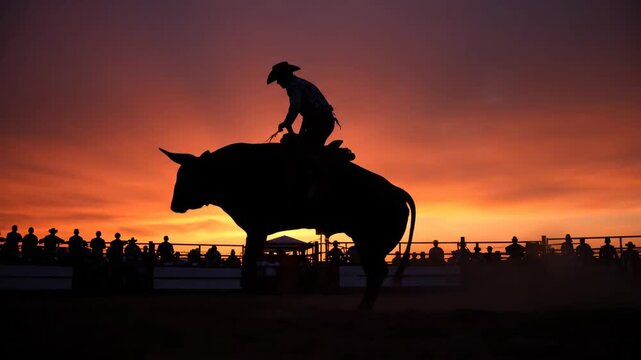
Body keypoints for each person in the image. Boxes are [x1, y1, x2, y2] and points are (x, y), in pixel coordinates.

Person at [267, 61, 340, 150]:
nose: (278, 82)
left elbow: (295, 107)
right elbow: (308, 113)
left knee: (306, 149)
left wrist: (287, 122)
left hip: (320, 121)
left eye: (278, 79)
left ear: (283, 76)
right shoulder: (300, 83)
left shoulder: (293, 86)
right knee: (306, 146)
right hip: (322, 120)